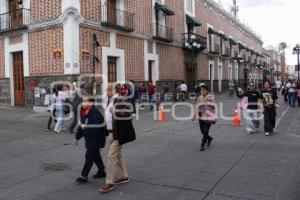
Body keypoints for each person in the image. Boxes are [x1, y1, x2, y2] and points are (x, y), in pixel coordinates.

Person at [99, 84, 136, 193]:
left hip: (119, 133)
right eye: (106, 90)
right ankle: (125, 176)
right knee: (118, 155)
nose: (107, 91)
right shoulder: (109, 100)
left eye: (109, 90)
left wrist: (114, 111)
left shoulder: (120, 99)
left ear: (114, 91)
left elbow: (129, 113)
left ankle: (109, 182)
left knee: (111, 156)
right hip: (111, 132)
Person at [75, 97, 107, 183]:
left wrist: (85, 127)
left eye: (85, 101)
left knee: (89, 156)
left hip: (96, 139)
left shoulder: (96, 113)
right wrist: (77, 137)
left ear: (91, 103)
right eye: (83, 101)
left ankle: (83, 176)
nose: (83, 103)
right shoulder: (84, 111)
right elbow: (81, 125)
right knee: (95, 155)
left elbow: (96, 128)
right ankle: (101, 171)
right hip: (89, 138)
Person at [193, 84, 216, 151]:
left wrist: (208, 102)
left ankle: (202, 145)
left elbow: (214, 105)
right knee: (202, 131)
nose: (202, 91)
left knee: (205, 130)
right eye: (201, 90)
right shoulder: (199, 97)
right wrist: (194, 115)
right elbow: (197, 106)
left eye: (203, 90)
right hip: (201, 115)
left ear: (207, 91)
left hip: (209, 116)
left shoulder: (210, 97)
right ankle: (209, 138)